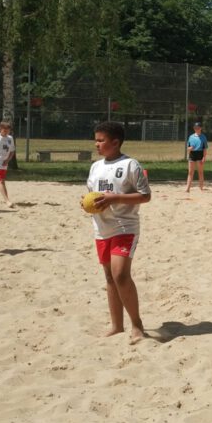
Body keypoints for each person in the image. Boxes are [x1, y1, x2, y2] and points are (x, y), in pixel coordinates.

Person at [83, 121, 151, 344]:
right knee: (110, 277)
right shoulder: (95, 167)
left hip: (125, 226)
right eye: (96, 139)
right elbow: (91, 195)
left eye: (101, 140)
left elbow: (145, 195)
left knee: (121, 274)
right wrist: (86, 203)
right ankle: (117, 325)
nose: (96, 144)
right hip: (101, 228)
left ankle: (137, 325)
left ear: (115, 142)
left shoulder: (131, 165)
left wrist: (115, 198)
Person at [185, 122, 209, 192]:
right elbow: (188, 148)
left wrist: (204, 157)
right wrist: (190, 149)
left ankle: (201, 188)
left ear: (200, 128)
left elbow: (205, 148)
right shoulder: (191, 137)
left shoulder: (203, 137)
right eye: (195, 128)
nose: (196, 129)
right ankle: (188, 188)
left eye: (198, 128)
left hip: (199, 154)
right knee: (190, 172)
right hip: (192, 154)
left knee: (200, 172)